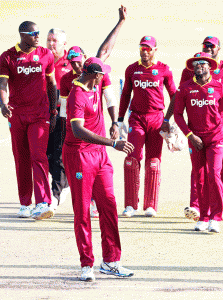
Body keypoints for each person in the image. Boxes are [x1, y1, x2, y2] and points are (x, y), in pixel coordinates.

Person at [62, 57, 135, 281]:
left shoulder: (95, 85)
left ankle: (111, 261)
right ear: (96, 75)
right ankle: (86, 264)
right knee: (83, 211)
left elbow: (105, 50)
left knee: (109, 205)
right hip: (79, 155)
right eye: (103, 74)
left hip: (99, 156)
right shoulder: (77, 94)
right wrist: (112, 143)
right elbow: (78, 130)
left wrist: (115, 122)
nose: (105, 77)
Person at [59, 5, 127, 216]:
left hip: (96, 141)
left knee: (102, 177)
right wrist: (63, 137)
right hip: (78, 143)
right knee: (82, 191)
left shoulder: (96, 73)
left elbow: (104, 52)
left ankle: (96, 200)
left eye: (79, 63)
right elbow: (63, 113)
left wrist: (115, 123)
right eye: (73, 64)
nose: (76, 67)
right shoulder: (69, 83)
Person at [180, 36, 223, 221]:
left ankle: (214, 206)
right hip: (197, 128)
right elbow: (179, 99)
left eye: (211, 46)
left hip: (221, 128)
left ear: (218, 49)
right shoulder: (191, 70)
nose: (208, 48)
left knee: (218, 170)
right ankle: (197, 206)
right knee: (198, 169)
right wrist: (169, 120)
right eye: (204, 45)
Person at [0, 21, 58, 220]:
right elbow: (1, 84)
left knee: (38, 156)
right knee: (21, 158)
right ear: (23, 35)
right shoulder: (7, 57)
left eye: (38, 33)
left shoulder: (46, 55)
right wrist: (3, 103)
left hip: (40, 115)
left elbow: (51, 84)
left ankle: (43, 203)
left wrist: (54, 111)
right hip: (17, 115)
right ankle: (25, 204)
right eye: (34, 33)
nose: (38, 37)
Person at [118, 36, 177, 217]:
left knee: (153, 162)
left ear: (155, 50)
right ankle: (130, 205)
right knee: (131, 160)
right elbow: (126, 94)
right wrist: (120, 120)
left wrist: (169, 121)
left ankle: (150, 205)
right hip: (136, 118)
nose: (145, 52)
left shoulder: (164, 70)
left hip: (156, 119)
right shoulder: (132, 69)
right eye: (142, 48)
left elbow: (175, 95)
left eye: (148, 49)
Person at [46, 28, 72, 209]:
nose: (51, 44)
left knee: (58, 155)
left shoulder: (71, 63)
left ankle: (55, 195)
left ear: (64, 44)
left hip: (64, 116)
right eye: (49, 40)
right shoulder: (42, 60)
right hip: (44, 114)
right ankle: (66, 184)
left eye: (55, 40)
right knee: (46, 155)